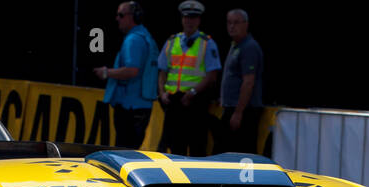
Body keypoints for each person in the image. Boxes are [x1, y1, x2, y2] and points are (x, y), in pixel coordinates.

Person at [156, 0, 220, 155]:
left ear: (199, 20)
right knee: (175, 148)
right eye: (187, 17)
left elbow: (212, 75)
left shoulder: (207, 43)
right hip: (174, 102)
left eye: (193, 18)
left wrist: (193, 92)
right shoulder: (172, 41)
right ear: (182, 19)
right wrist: (162, 92)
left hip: (195, 102)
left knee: (197, 146)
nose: (189, 21)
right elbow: (163, 71)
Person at [95, 1, 159, 149]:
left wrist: (106, 73)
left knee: (123, 152)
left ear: (134, 17)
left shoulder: (133, 40)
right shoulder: (145, 36)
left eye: (121, 15)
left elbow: (132, 70)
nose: (117, 18)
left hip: (130, 108)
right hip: (140, 105)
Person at [215, 8, 263, 153]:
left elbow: (248, 82)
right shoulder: (235, 45)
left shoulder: (249, 47)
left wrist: (238, 112)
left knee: (240, 154)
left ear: (246, 24)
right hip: (232, 107)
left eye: (236, 23)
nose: (232, 26)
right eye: (229, 22)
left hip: (244, 111)